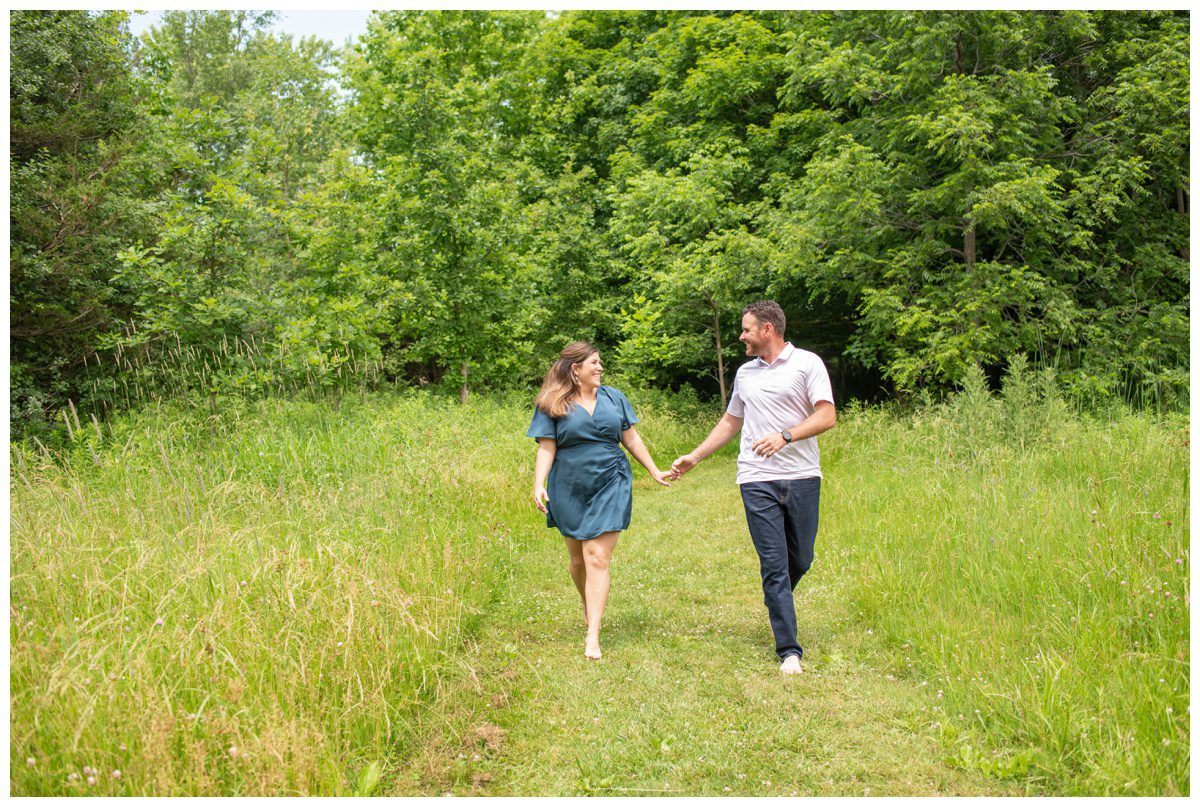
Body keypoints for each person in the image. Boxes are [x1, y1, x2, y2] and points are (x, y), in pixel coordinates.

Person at [670, 301, 836, 675]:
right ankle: (789, 650)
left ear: (767, 330)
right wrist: (695, 457)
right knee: (774, 564)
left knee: (802, 559)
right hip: (756, 477)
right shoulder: (746, 374)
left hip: (803, 475)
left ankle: (776, 599)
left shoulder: (808, 364)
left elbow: (827, 415)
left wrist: (786, 436)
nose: (741, 336)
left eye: (746, 329)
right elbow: (731, 423)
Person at [528, 341, 672, 660]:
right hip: (569, 484)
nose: (600, 367)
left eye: (600, 362)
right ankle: (586, 600)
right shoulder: (553, 402)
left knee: (597, 557)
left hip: (611, 479)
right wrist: (538, 484)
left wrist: (652, 469)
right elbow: (546, 448)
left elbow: (630, 437)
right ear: (575, 369)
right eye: (594, 362)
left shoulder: (614, 398)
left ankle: (593, 633)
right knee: (578, 559)